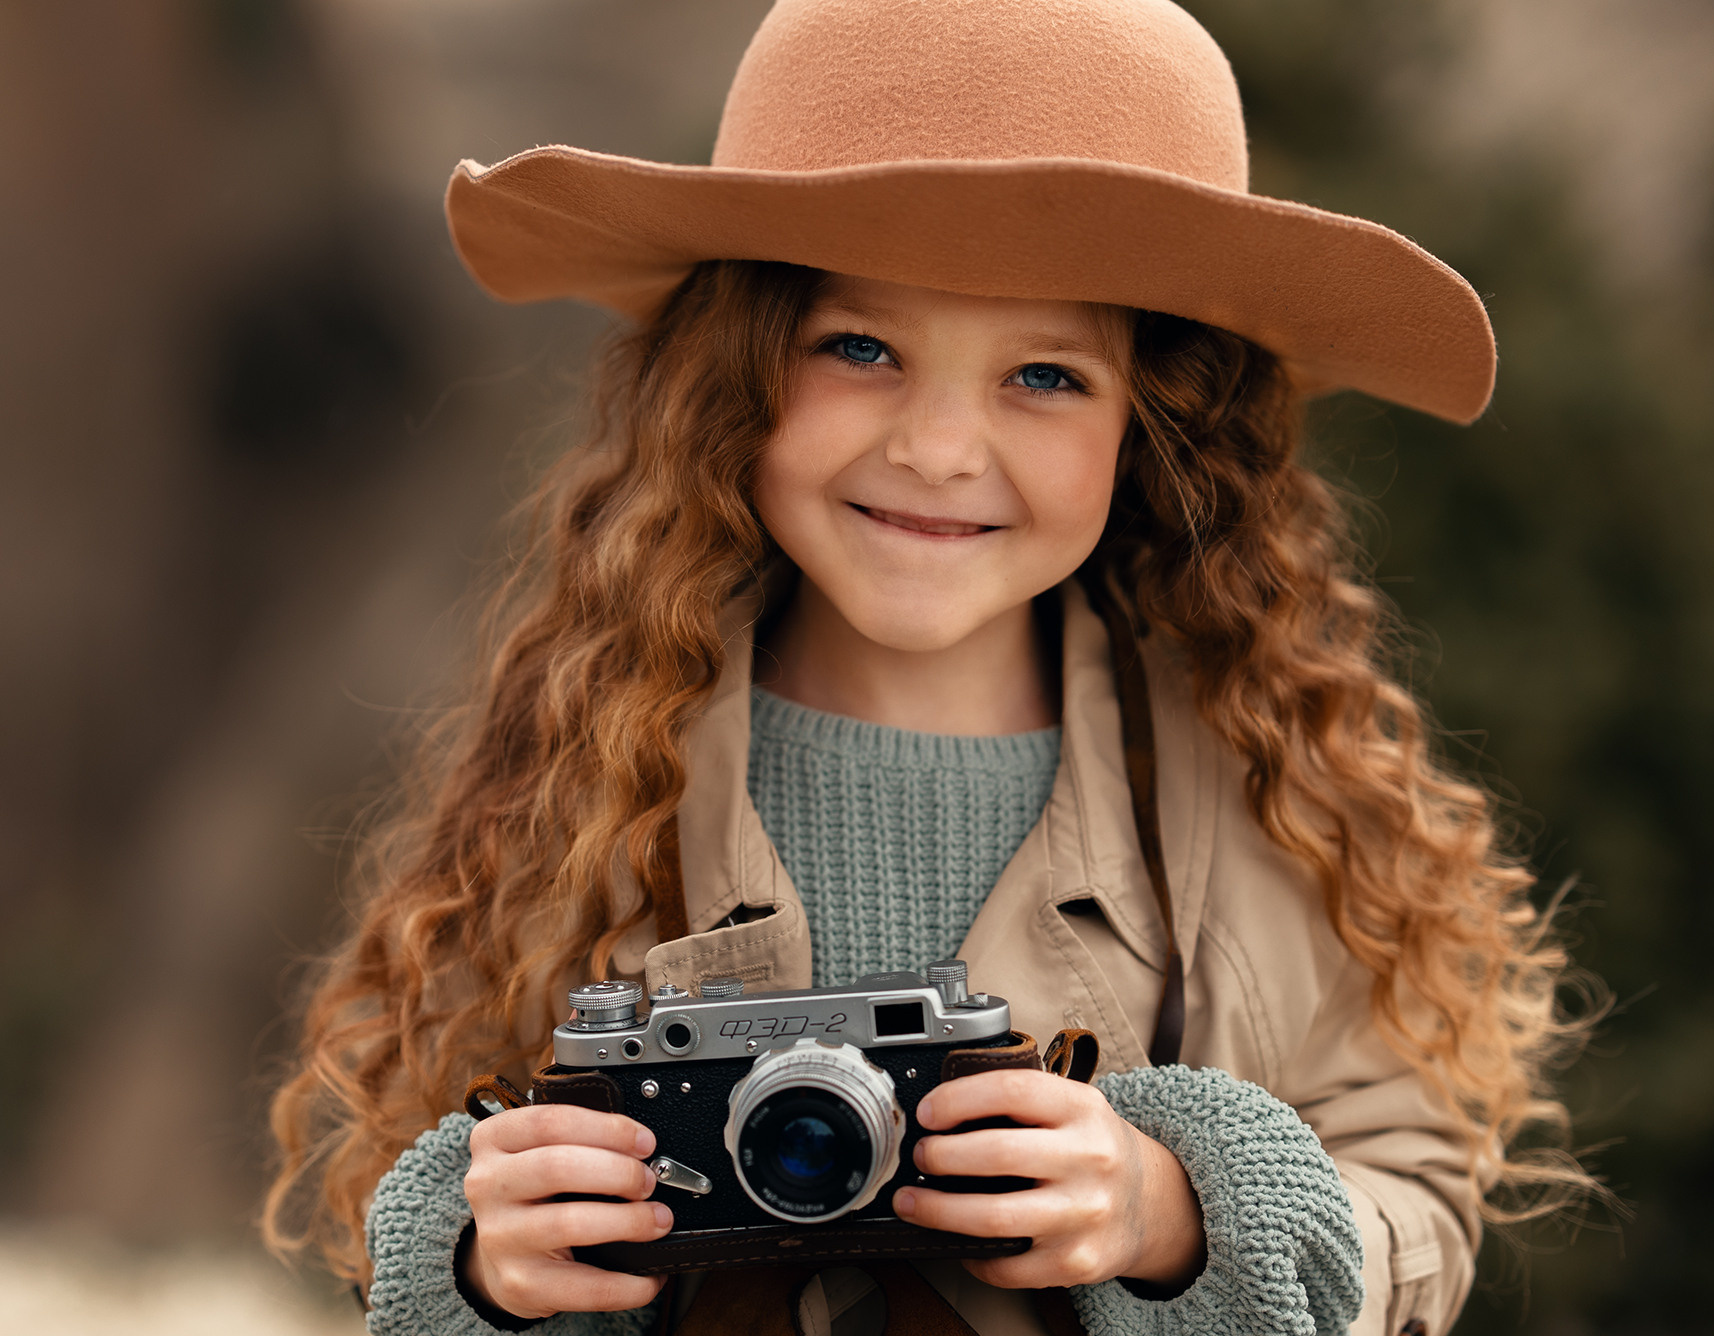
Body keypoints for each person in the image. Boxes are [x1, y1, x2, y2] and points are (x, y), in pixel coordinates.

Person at [263, 2, 1596, 1333]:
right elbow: (437, 1170)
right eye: (862, 348)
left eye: (1045, 377)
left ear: (1155, 422)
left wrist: (1167, 1207)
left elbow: (1419, 1206)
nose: (944, 448)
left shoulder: (1256, 790)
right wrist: (482, 1260)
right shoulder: (594, 762)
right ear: (737, 369)